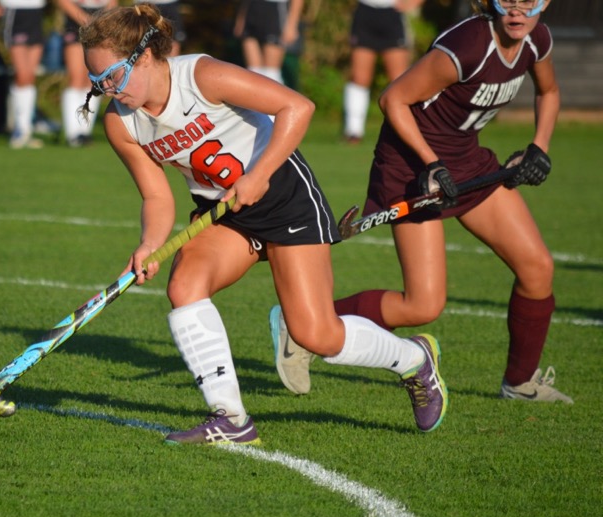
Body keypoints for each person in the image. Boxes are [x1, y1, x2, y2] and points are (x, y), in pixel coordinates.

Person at [79, 4, 448, 445]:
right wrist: (148, 244)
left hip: (284, 197)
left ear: (142, 57)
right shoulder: (122, 124)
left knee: (317, 334)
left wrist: (260, 174)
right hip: (224, 212)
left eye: (113, 76)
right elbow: (157, 196)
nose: (107, 90)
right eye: (97, 82)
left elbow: (297, 106)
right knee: (184, 286)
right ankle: (231, 418)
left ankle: (414, 359)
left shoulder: (201, 76)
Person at [273, 0, 573, 404]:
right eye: (508, 0)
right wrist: (431, 164)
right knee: (422, 305)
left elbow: (550, 91)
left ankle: (519, 384)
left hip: (466, 161)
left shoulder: (538, 41)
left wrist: (539, 146)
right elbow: (393, 99)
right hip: (411, 166)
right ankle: (300, 324)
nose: (518, 11)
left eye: (529, 1)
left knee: (537, 269)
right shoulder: (468, 45)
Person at [343, 0, 423, 144]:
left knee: (399, 79)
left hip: (392, 13)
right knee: (359, 77)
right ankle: (353, 131)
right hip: (365, 13)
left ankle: (406, 129)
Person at [0, 0, 46, 149]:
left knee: (30, 76)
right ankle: (19, 129)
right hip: (15, 11)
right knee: (22, 75)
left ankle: (25, 130)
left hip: (36, 12)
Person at [57, 0, 117, 147]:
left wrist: (103, 20)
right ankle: (72, 133)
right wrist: (87, 20)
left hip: (100, 18)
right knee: (76, 77)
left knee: (92, 80)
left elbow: (112, 3)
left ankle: (84, 131)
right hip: (77, 17)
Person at [233, 0, 303, 85]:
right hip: (252, 8)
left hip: (275, 11)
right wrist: (241, 17)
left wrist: (292, 25)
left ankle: (275, 98)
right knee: (253, 72)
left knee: (271, 74)